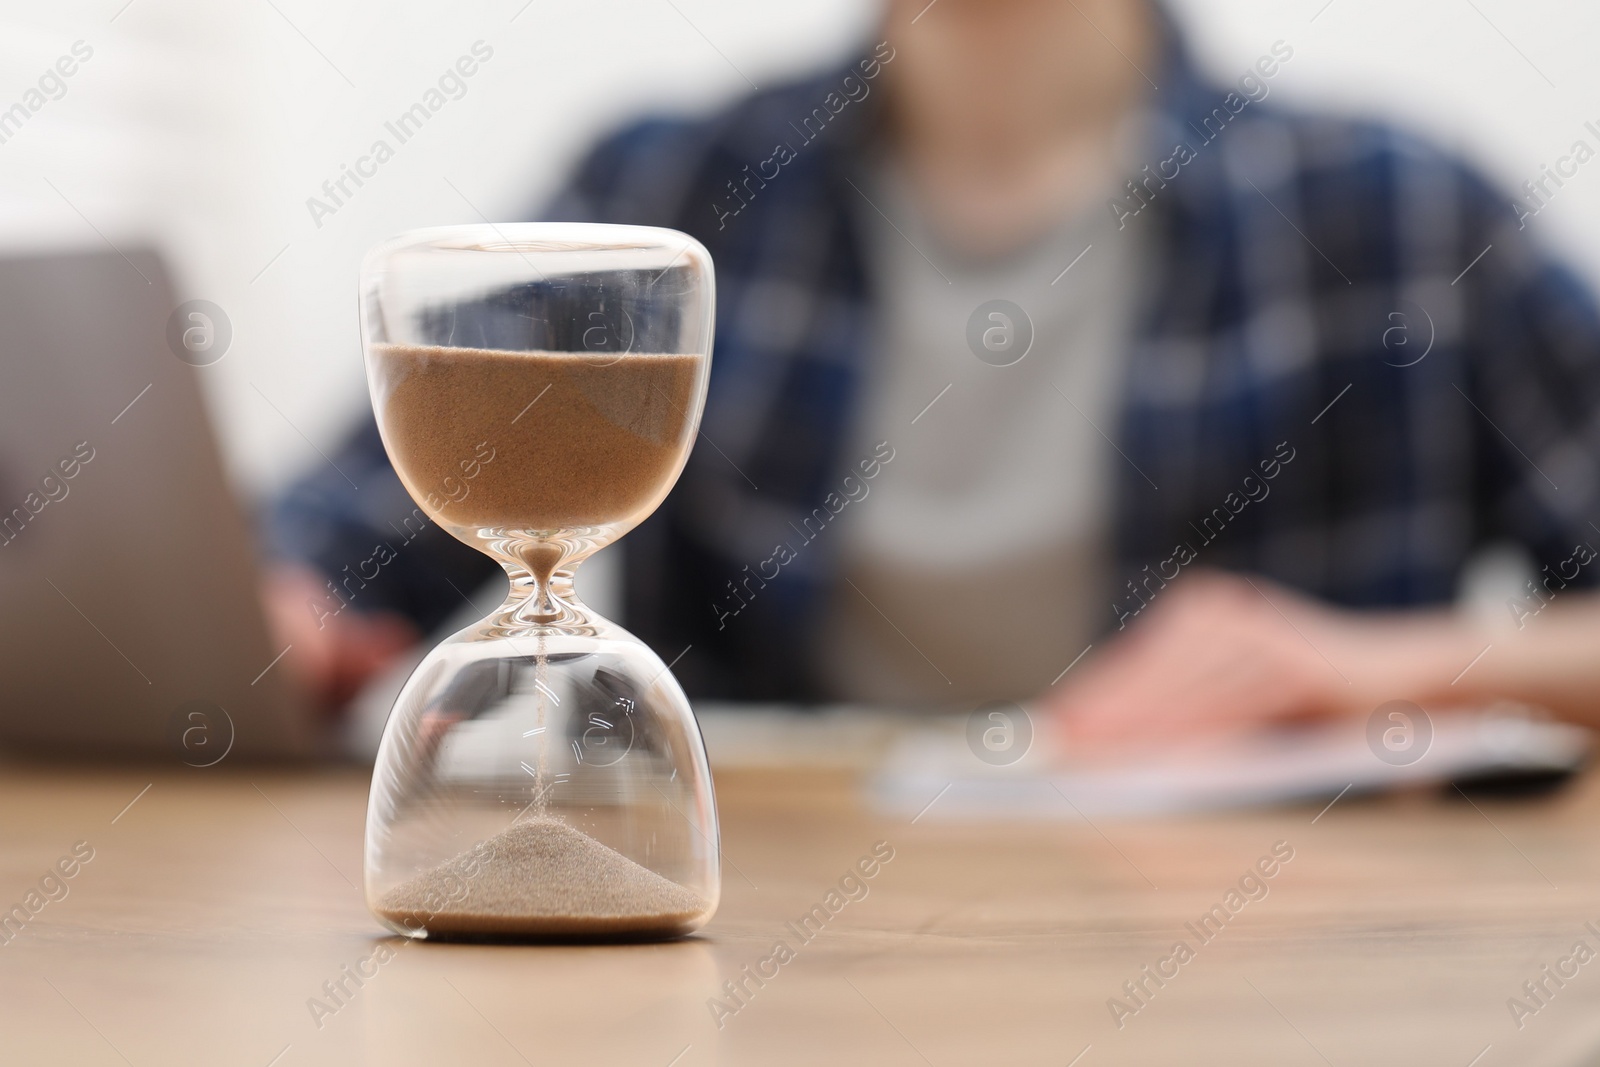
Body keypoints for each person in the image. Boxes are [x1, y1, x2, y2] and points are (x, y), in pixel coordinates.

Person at [266, 0, 1600, 747]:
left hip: (1275, 962)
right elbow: (340, 542)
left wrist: (1378, 670)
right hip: (775, 962)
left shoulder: (1404, 225)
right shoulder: (666, 193)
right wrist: (271, 616)